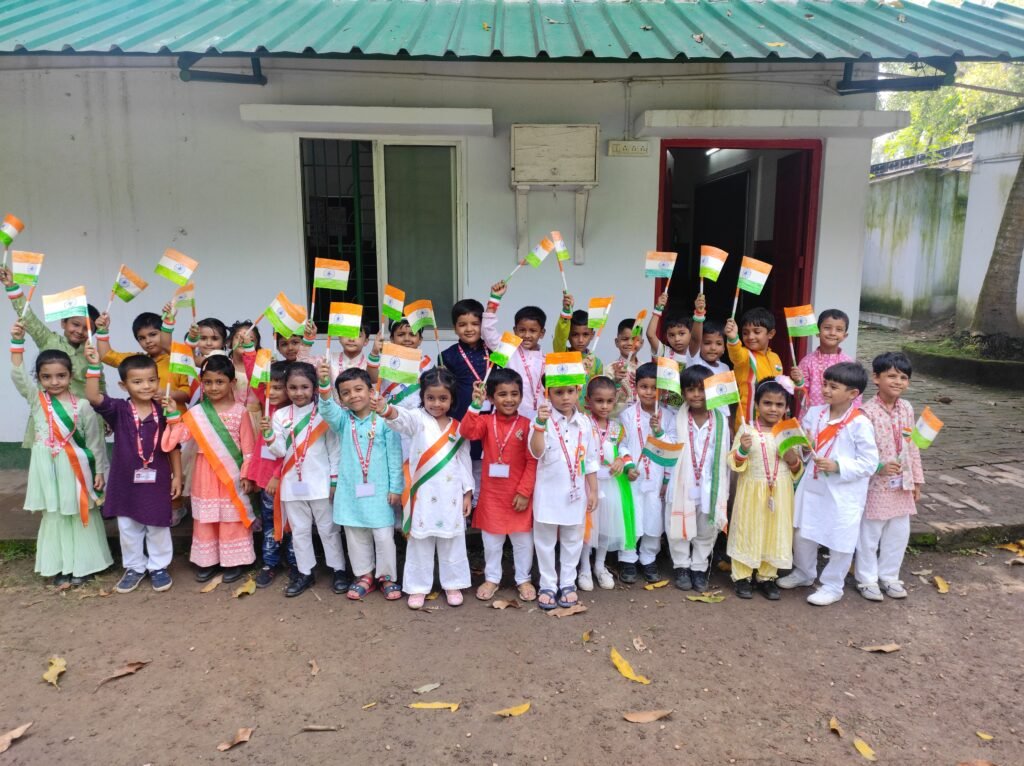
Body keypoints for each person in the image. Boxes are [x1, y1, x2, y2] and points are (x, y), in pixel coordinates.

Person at [10, 322, 111, 586]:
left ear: (70, 375)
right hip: (47, 467)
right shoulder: (37, 400)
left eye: (61, 376)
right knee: (54, 513)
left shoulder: (84, 406)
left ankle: (84, 565)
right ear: (39, 378)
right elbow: (18, 376)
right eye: (47, 377)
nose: (54, 382)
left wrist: (100, 471)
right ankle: (60, 565)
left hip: (76, 468)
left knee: (79, 511)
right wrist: (17, 342)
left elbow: (95, 442)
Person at [83, 348, 182, 593]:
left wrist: (178, 476)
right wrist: (94, 366)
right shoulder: (119, 410)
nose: (146, 386)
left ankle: (159, 566)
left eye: (151, 380)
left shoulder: (164, 410)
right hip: (125, 481)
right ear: (123, 385)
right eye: (137, 382)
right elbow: (93, 397)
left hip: (158, 479)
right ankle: (134, 567)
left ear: (158, 381)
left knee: (158, 525)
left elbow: (173, 445)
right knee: (128, 527)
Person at [780, 362, 878, 606]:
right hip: (813, 486)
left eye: (833, 387)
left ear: (853, 394)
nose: (825, 390)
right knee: (803, 532)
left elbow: (869, 463)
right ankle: (804, 572)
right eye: (825, 384)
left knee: (840, 538)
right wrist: (804, 447)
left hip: (843, 492)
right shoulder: (815, 413)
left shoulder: (860, 423)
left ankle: (833, 585)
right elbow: (804, 449)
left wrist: (838, 466)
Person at [375, 368, 474, 609]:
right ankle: (418, 587)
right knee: (420, 541)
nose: (436, 403)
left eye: (443, 398)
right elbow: (400, 418)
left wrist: (468, 492)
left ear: (452, 399)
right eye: (430, 398)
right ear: (423, 397)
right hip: (423, 493)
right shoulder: (417, 419)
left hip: (451, 495)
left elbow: (464, 461)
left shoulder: (458, 427)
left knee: (452, 540)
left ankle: (453, 584)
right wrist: (385, 408)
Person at [163, 355, 257, 583]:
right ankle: (208, 560)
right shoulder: (197, 413)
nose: (213, 387)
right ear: (202, 383)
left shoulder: (241, 412)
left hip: (231, 473)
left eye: (220, 382)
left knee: (231, 516)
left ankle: (234, 560)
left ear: (232, 383)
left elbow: (248, 448)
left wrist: (246, 474)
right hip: (205, 472)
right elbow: (178, 438)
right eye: (208, 382)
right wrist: (173, 414)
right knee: (207, 517)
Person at [317, 363, 404, 601]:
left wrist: (396, 488)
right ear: (340, 398)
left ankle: (387, 577)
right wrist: (324, 385)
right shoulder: (343, 420)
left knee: (384, 537)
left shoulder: (385, 419)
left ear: (371, 391)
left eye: (358, 389)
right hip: (350, 492)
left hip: (381, 492)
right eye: (345, 393)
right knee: (355, 535)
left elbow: (395, 456)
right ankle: (364, 575)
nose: (353, 395)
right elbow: (327, 410)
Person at [261, 362, 348, 598]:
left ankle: (339, 570)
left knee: (328, 530)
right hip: (292, 485)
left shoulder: (324, 414)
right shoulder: (280, 415)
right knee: (299, 531)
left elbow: (334, 450)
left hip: (321, 484)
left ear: (314, 388)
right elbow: (280, 452)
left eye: (304, 387)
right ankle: (305, 572)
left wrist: (334, 481)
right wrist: (269, 436)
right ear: (286, 388)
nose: (299, 393)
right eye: (293, 388)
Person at [2, 268, 105, 448]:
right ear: (63, 322)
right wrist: (12, 286)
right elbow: (28, 318)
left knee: (84, 462)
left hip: (83, 419)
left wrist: (106, 415)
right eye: (75, 324)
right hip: (49, 417)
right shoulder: (48, 340)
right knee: (47, 460)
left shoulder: (92, 355)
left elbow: (100, 387)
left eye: (87, 329)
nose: (79, 331)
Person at [460, 371, 538, 602]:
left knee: (523, 542)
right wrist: (475, 405)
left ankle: (523, 578)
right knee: (491, 542)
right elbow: (466, 431)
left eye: (514, 394)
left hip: (518, 495)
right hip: (492, 496)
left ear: (521, 396)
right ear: (491, 398)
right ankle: (492, 578)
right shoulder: (485, 421)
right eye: (502, 394)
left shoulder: (527, 425)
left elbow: (533, 460)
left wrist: (524, 492)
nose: (509, 399)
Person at [854, 352, 924, 601]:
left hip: (902, 483)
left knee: (898, 532)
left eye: (903, 377)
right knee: (870, 534)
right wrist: (878, 467)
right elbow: (858, 451)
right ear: (876, 378)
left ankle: (890, 576)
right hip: (875, 484)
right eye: (892, 376)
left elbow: (913, 445)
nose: (898, 382)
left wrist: (916, 480)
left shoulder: (907, 408)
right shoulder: (865, 413)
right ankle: (866, 579)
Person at [530, 366, 599, 610]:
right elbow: (536, 452)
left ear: (578, 391)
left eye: (570, 391)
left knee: (573, 539)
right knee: (545, 541)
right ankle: (548, 584)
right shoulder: (542, 420)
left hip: (576, 493)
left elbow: (591, 459)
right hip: (548, 493)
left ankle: (568, 582)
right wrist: (540, 424)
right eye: (559, 392)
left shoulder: (585, 423)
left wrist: (593, 490)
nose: (565, 397)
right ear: (548, 393)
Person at [727, 378, 802, 600]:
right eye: (767, 403)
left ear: (786, 407)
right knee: (747, 529)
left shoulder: (790, 431)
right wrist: (742, 450)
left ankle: (767, 576)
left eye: (779, 404)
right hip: (751, 491)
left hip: (780, 491)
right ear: (757, 404)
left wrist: (792, 459)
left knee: (774, 531)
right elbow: (734, 463)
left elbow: (798, 470)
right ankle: (742, 576)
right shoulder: (747, 430)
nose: (773, 409)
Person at [666, 365, 730, 592]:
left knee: (706, 527)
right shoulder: (677, 417)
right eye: (690, 390)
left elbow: (725, 456)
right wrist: (658, 432)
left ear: (710, 391)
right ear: (683, 392)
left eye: (701, 389)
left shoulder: (721, 420)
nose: (696, 395)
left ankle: (699, 567)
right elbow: (670, 446)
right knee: (678, 525)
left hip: (709, 483)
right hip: (682, 482)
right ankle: (682, 566)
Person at [616, 362, 676, 584]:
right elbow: (621, 444)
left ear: (662, 390)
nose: (649, 392)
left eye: (654, 387)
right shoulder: (627, 415)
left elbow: (673, 448)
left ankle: (648, 557)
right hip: (634, 476)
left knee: (654, 517)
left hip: (657, 477)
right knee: (632, 516)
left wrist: (659, 432)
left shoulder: (668, 416)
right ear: (636, 387)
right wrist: (629, 466)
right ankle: (628, 557)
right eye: (644, 387)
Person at [577, 375, 635, 591]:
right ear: (588, 400)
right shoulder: (583, 423)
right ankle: (584, 567)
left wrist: (621, 459)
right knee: (588, 527)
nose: (604, 406)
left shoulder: (617, 427)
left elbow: (624, 448)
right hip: (589, 483)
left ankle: (600, 566)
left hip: (611, 484)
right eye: (599, 401)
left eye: (609, 401)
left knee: (605, 527)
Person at [245, 361, 297, 589]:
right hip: (265, 480)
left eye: (278, 388)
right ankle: (270, 563)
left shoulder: (293, 414)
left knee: (292, 523)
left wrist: (277, 475)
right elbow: (253, 376)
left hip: (286, 479)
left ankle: (296, 563)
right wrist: (249, 350)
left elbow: (290, 450)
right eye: (268, 387)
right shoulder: (267, 405)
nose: (271, 392)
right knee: (269, 523)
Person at [94, 311, 190, 403]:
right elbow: (106, 355)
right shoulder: (136, 361)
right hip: (143, 414)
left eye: (153, 334)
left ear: (164, 333)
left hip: (176, 414)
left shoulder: (179, 359)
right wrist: (102, 330)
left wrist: (168, 394)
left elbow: (190, 395)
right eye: (142, 338)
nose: (148, 341)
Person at [482, 281, 546, 418]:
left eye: (533, 331)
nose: (527, 335)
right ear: (515, 330)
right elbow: (487, 332)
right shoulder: (508, 349)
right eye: (522, 330)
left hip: (539, 419)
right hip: (509, 417)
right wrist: (494, 300)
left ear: (542, 333)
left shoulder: (547, 361)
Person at [725, 307, 786, 425]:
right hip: (748, 423)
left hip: (774, 422)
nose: (750, 337)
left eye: (756, 332)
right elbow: (735, 354)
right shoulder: (744, 355)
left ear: (771, 334)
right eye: (745, 333)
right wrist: (733, 338)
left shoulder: (775, 357)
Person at [795, 309, 858, 409]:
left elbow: (855, 396)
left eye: (839, 329)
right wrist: (799, 383)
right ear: (817, 332)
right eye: (827, 328)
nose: (832, 333)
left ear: (844, 336)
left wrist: (852, 416)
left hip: (841, 416)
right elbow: (801, 399)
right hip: (812, 416)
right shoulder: (807, 362)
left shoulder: (849, 363)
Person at [552, 294, 604, 378]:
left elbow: (599, 386)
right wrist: (566, 311)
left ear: (592, 335)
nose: (580, 340)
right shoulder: (562, 353)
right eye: (575, 335)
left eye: (585, 334)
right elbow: (560, 336)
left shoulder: (597, 363)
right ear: (567, 335)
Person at [645, 289, 704, 363]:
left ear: (691, 333)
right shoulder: (664, 352)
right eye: (671, 335)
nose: (677, 339)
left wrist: (699, 313)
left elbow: (696, 339)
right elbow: (650, 335)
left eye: (681, 333)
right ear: (666, 336)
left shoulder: (695, 353)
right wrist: (658, 308)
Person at [608, 319, 641, 406]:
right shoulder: (610, 368)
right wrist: (616, 381)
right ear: (617, 342)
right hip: (619, 414)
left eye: (635, 339)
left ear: (641, 343)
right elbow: (605, 398)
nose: (630, 343)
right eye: (625, 339)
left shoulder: (646, 369)